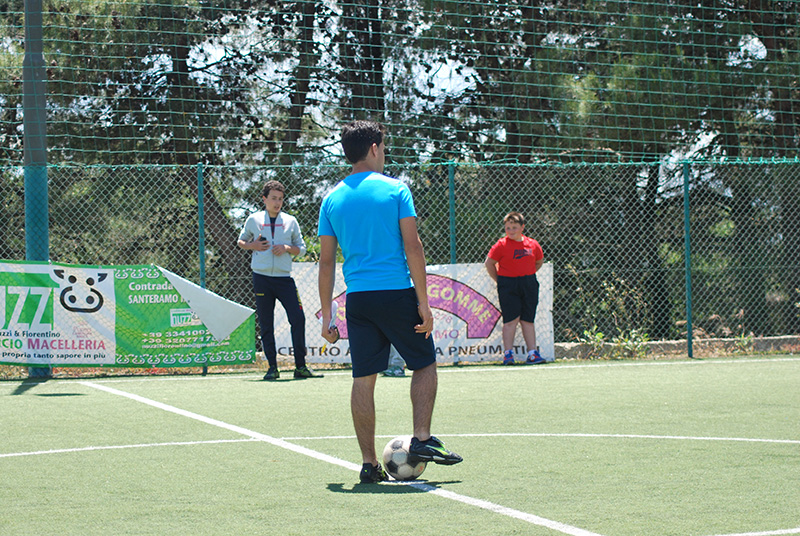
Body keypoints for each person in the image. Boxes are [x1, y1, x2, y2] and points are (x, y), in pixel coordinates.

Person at [318, 120, 462, 483]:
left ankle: (369, 464)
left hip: (359, 300)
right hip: (396, 293)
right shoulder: (396, 189)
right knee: (424, 364)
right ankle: (422, 439)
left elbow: (326, 262)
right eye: (383, 146)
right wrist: (424, 302)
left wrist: (326, 317)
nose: (384, 152)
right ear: (374, 148)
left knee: (363, 378)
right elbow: (413, 246)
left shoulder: (332, 199)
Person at [237, 180, 321, 380]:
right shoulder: (253, 219)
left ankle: (300, 366)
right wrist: (253, 245)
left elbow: (302, 248)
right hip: (261, 278)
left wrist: (287, 248)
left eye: (280, 199)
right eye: (273, 198)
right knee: (266, 323)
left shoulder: (291, 221)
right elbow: (241, 241)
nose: (277, 203)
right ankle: (272, 368)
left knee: (298, 318)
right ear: (264, 199)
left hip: (284, 279)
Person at [484, 211, 546, 365]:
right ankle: (508, 354)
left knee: (527, 320)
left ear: (522, 227)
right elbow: (489, 263)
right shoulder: (501, 245)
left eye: (514, 227)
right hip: (508, 285)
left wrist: (528, 274)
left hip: (529, 284)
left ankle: (532, 354)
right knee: (510, 320)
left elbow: (539, 261)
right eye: (508, 228)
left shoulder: (533, 244)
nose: (511, 231)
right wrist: (500, 280)